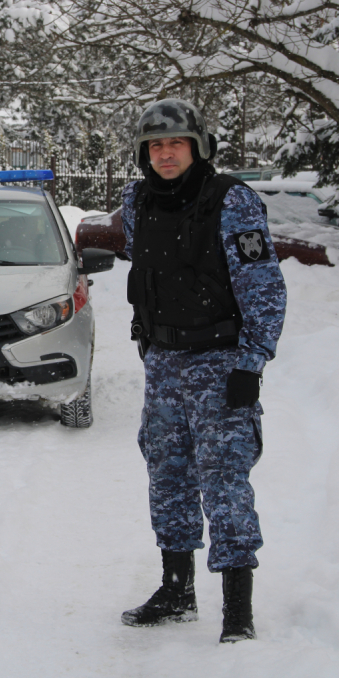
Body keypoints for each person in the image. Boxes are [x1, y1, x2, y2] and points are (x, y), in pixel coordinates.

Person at [118, 99, 287, 642]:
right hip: (164, 362)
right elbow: (147, 268)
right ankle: (177, 590)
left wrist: (252, 361)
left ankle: (238, 612)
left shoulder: (231, 201)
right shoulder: (137, 199)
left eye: (176, 143)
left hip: (219, 362)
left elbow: (262, 286)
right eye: (155, 146)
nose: (165, 154)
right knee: (167, 476)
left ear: (197, 146)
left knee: (224, 481)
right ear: (144, 154)